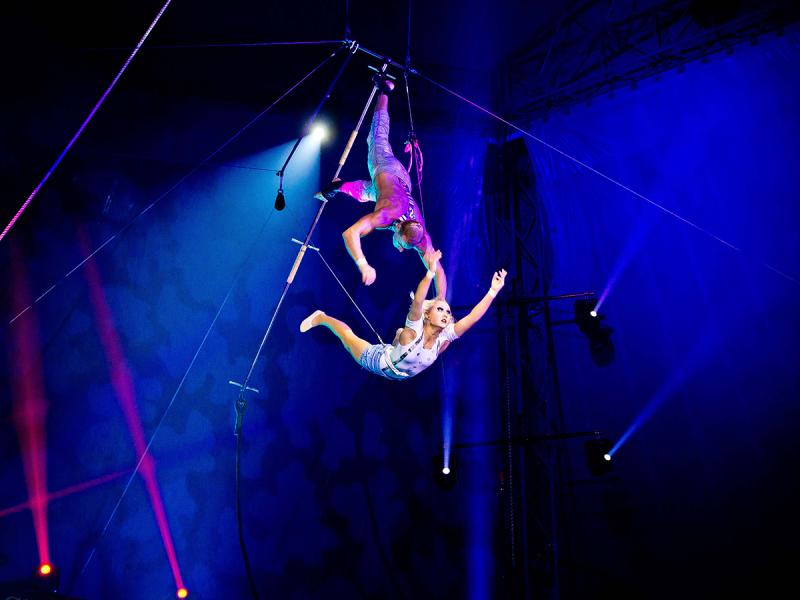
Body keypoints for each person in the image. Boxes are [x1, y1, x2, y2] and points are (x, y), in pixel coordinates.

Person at [315, 74, 447, 297]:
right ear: (397, 228)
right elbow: (350, 233)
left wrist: (441, 301)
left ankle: (338, 186)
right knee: (377, 137)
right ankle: (385, 89)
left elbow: (438, 271)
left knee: (367, 193)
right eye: (401, 244)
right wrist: (363, 264)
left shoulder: (420, 236)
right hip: (385, 169)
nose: (400, 248)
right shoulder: (387, 216)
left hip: (400, 183)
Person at [299, 250, 506, 380]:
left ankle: (397, 338)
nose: (446, 314)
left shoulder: (444, 337)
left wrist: (493, 291)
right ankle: (321, 318)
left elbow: (472, 317)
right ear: (427, 315)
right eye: (440, 309)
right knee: (348, 338)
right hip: (379, 361)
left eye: (448, 312)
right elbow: (418, 301)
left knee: (438, 342)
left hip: (400, 372)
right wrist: (430, 273)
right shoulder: (415, 329)